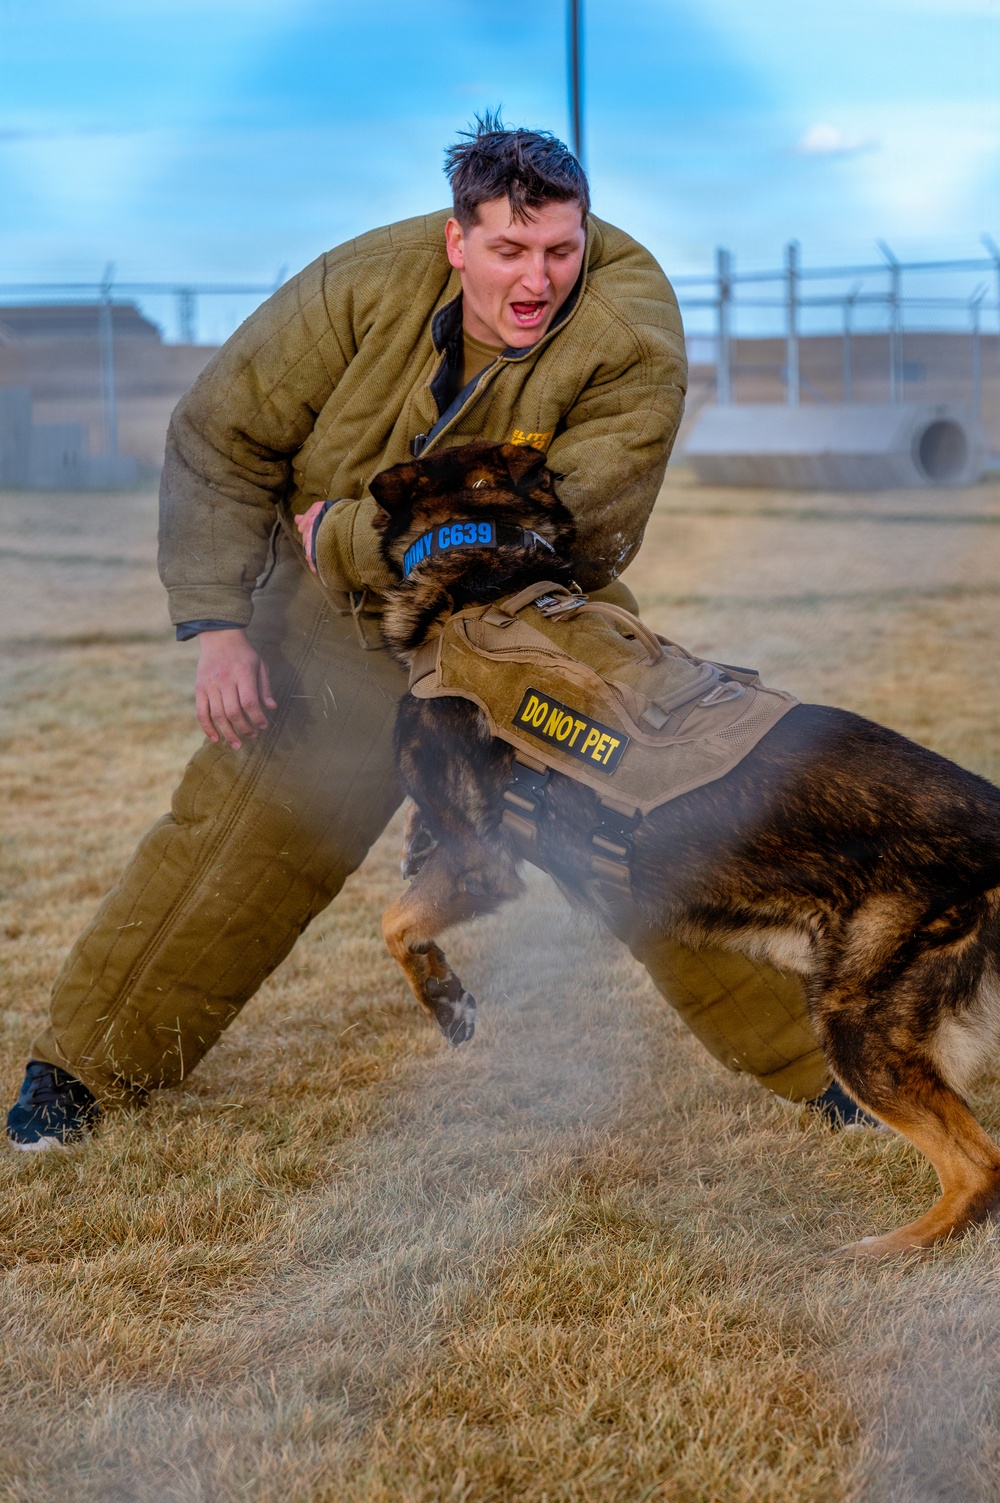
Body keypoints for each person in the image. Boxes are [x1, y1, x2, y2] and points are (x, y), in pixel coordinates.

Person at [6, 117, 862, 1152]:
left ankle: (834, 1070)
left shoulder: (632, 331)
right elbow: (222, 436)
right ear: (456, 241)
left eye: (559, 250)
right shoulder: (360, 284)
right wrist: (218, 628)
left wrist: (344, 532)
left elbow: (556, 528)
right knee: (236, 843)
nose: (537, 279)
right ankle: (82, 1071)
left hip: (523, 629)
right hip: (337, 629)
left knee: (644, 824)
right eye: (507, 251)